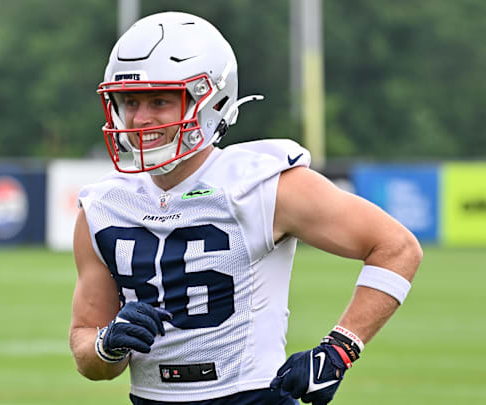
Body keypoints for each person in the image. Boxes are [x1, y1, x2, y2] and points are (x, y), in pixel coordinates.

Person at [69, 11, 422, 405]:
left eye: (159, 101)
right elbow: (87, 349)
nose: (139, 118)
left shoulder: (262, 184)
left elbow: (396, 247)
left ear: (210, 101)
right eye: (129, 101)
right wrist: (107, 345)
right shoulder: (102, 206)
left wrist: (339, 351)